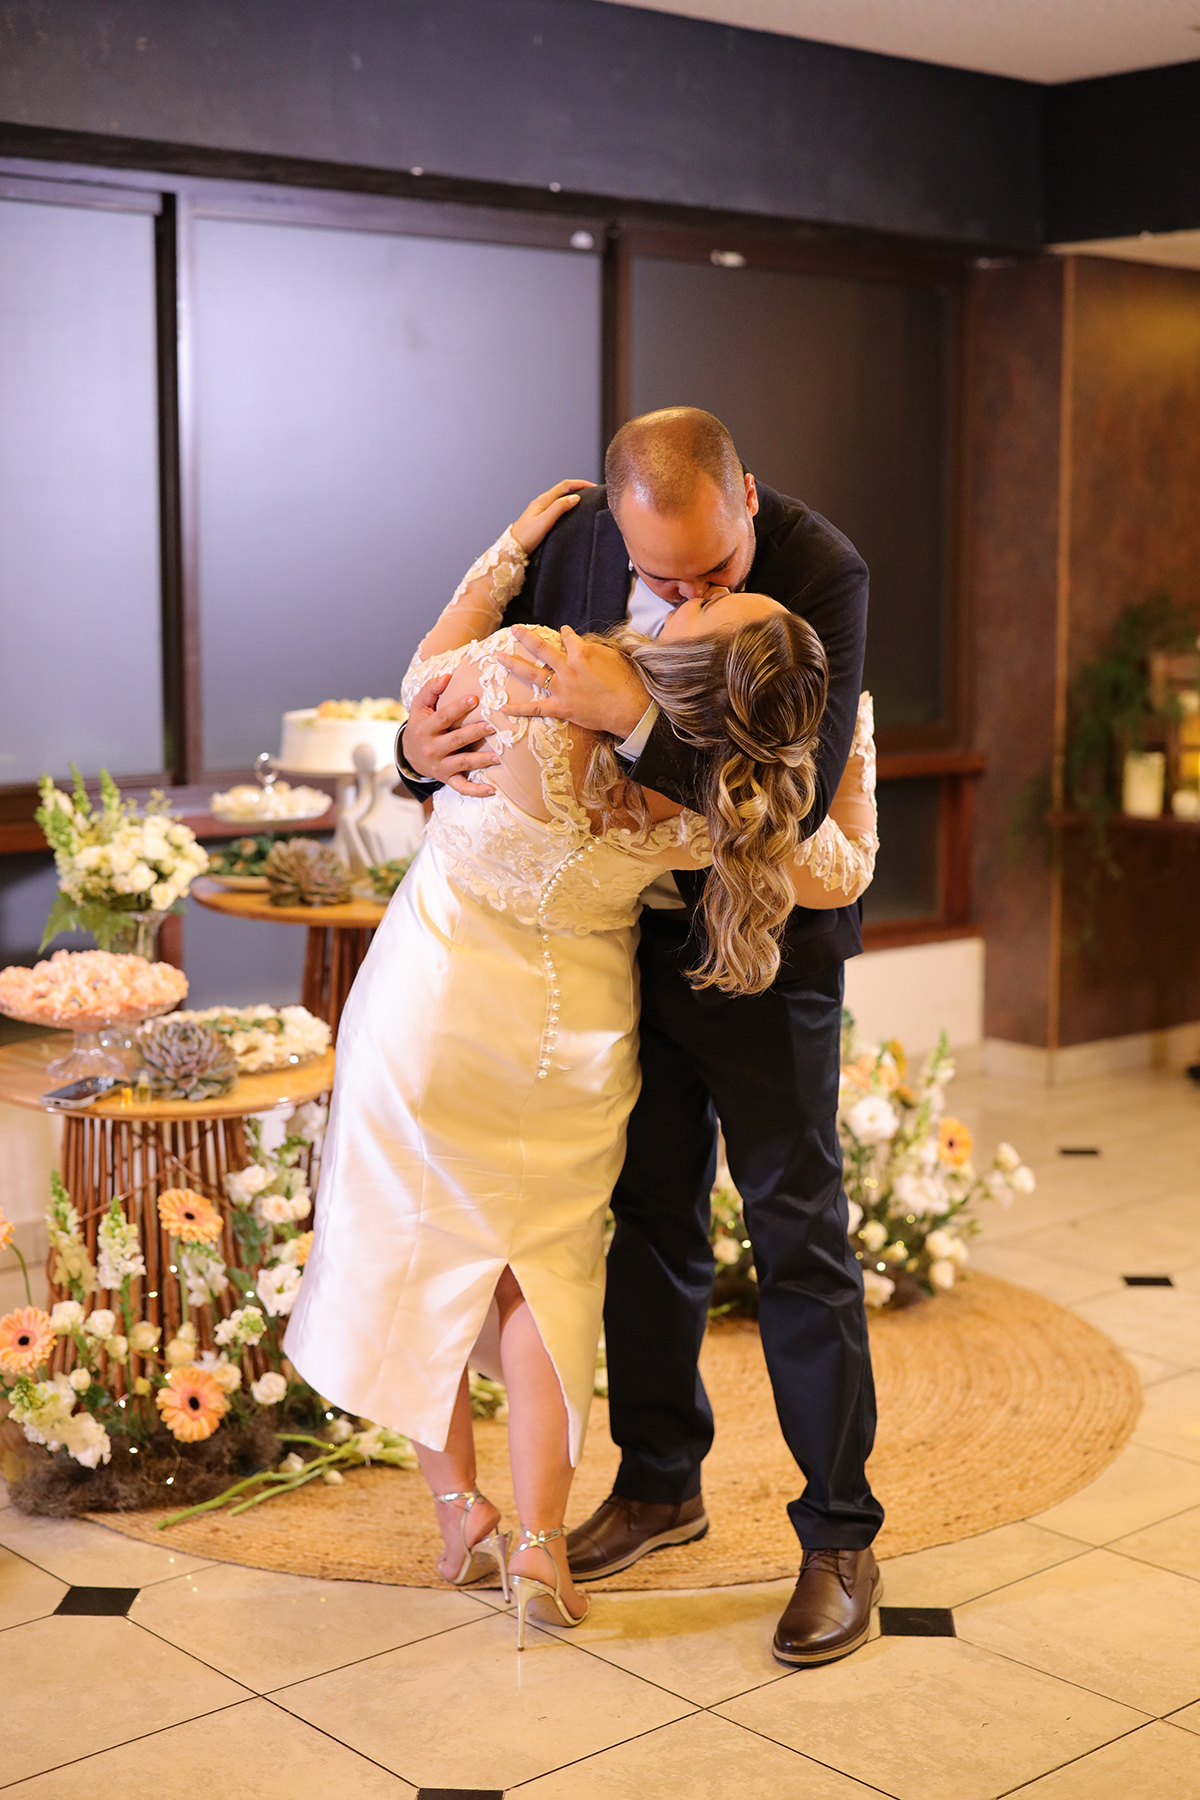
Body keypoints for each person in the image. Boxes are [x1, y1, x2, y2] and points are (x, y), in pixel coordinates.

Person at [285, 479, 877, 1653]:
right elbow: (430, 728)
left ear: (745, 504)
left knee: (797, 1232)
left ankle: (839, 1536)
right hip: (616, 978)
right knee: (640, 1229)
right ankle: (657, 1484)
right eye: (663, 583)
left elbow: (806, 834)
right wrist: (412, 750)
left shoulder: (821, 572)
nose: (683, 598)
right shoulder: (584, 538)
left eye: (712, 584)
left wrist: (649, 720)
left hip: (754, 966)